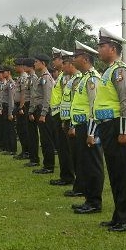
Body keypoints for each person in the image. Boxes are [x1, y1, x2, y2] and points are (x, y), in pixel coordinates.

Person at [92, 28, 126, 232]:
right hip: (108, 126)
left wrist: (124, 131)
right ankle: (118, 215)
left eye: (102, 46)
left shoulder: (120, 71)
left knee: (123, 173)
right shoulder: (108, 71)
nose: (99, 50)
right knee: (115, 173)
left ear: (113, 48)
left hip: (118, 126)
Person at [70, 41, 104, 213]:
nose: (73, 60)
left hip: (91, 128)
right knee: (85, 164)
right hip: (82, 126)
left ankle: (94, 202)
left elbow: (93, 107)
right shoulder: (84, 78)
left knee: (93, 164)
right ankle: (89, 199)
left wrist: (91, 132)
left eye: (75, 57)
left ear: (84, 59)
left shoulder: (92, 79)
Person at [49, 48, 77, 187]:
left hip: (63, 116)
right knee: (61, 148)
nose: (54, 62)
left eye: (56, 59)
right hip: (58, 115)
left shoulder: (68, 77)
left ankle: (67, 176)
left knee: (65, 149)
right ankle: (65, 175)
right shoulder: (61, 76)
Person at [58, 52, 84, 197]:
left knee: (78, 156)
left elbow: (76, 104)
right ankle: (78, 186)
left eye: (65, 64)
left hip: (76, 122)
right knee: (74, 155)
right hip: (68, 120)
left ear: (70, 65)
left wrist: (73, 125)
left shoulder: (78, 80)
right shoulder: (71, 80)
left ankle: (81, 186)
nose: (63, 66)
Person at [30, 54, 55, 174]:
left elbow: (47, 97)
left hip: (44, 112)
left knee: (47, 140)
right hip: (39, 110)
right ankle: (47, 164)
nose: (34, 64)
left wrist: (44, 113)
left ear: (43, 63)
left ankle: (49, 166)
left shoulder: (46, 78)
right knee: (44, 139)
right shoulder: (41, 77)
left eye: (36, 61)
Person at [23, 58, 40, 168]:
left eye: (25, 66)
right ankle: (32, 157)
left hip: (32, 106)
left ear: (30, 67)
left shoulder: (34, 78)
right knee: (29, 133)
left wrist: (31, 110)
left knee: (33, 134)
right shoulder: (29, 78)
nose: (23, 68)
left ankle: (34, 159)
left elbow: (34, 96)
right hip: (28, 106)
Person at [13, 59, 30, 160]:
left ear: (21, 66)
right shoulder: (20, 77)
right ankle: (24, 150)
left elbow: (24, 94)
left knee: (23, 130)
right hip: (18, 105)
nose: (15, 68)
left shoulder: (24, 78)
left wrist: (21, 107)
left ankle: (27, 151)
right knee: (20, 130)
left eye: (16, 66)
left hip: (21, 106)